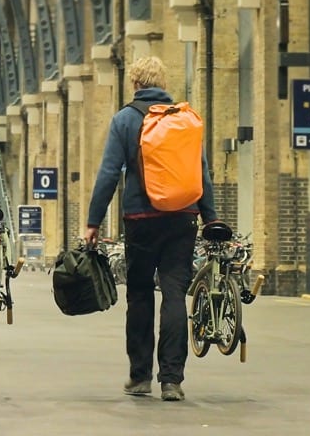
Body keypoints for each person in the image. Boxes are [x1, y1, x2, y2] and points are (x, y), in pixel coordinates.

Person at [83, 55, 218, 402]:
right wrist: (210, 218)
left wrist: (93, 222)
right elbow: (201, 173)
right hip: (182, 219)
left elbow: (109, 174)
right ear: (163, 83)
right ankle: (172, 380)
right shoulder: (186, 120)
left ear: (134, 84)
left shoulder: (125, 120)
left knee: (140, 294)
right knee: (174, 294)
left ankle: (140, 376)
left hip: (141, 219)